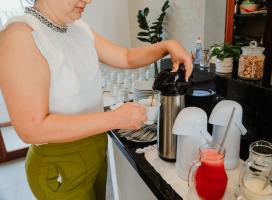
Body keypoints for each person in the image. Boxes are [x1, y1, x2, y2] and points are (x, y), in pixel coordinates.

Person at [0, 0, 193, 199]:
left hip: (95, 151)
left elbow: (126, 57)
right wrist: (114, 119)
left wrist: (168, 45)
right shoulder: (20, 36)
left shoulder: (78, 28)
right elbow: (32, 128)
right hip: (59, 165)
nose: (89, 0)